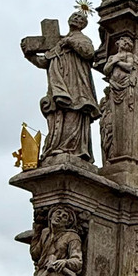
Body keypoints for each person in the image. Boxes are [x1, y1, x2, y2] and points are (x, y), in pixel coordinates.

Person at [22, 11, 99, 163]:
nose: (76, 18)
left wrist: (71, 43)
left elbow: (89, 53)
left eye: (81, 18)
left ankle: (72, 149)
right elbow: (45, 62)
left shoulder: (82, 39)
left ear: (83, 25)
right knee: (57, 115)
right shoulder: (57, 43)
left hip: (76, 85)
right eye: (75, 16)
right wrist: (29, 55)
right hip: (58, 87)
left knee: (74, 113)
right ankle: (56, 147)